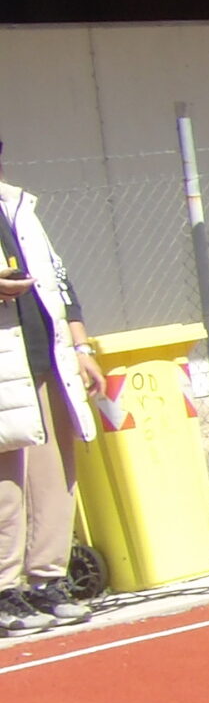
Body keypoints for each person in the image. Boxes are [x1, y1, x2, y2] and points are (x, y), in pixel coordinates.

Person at [0, 159, 105, 635]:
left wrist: (81, 346)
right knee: (6, 478)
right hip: (5, 363)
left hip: (46, 356)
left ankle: (47, 580)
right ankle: (5, 589)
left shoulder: (19, 205)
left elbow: (58, 278)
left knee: (53, 471)